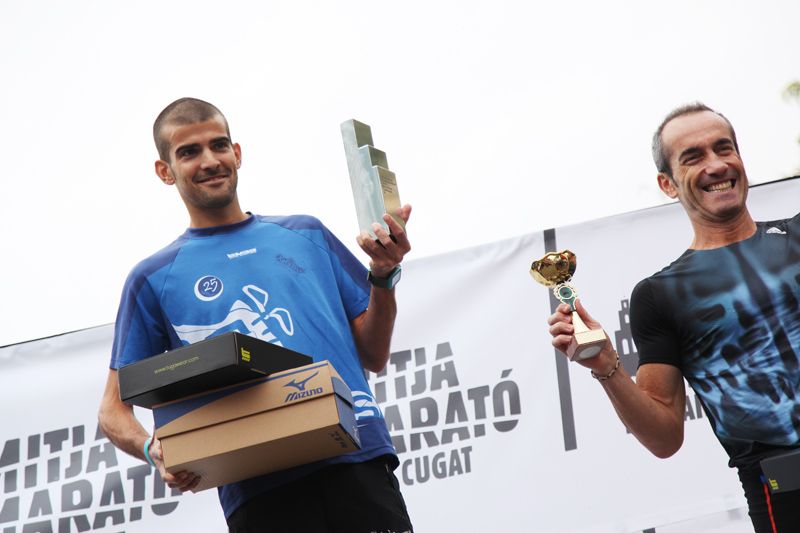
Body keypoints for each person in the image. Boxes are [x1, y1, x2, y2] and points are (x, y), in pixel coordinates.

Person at [98, 97, 414, 533]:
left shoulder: (305, 233)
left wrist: (382, 276)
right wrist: (157, 450)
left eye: (219, 145)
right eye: (189, 152)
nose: (210, 161)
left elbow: (374, 355)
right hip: (257, 489)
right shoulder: (152, 278)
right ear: (165, 171)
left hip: (356, 458)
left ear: (237, 153)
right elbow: (112, 411)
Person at [547, 102, 800, 532]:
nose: (716, 165)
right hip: (784, 490)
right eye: (694, 156)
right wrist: (607, 366)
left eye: (725, 149)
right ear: (667, 183)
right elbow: (665, 437)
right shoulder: (659, 295)